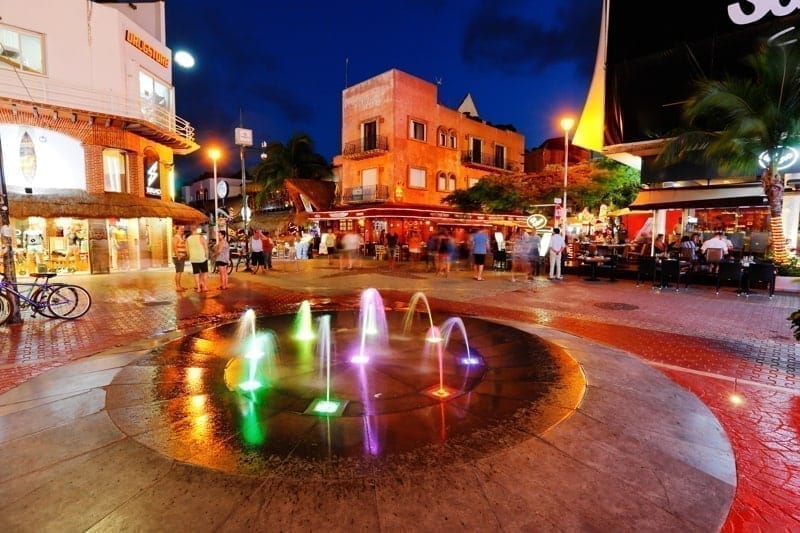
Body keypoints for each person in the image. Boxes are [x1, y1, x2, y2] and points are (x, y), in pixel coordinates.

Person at [185, 227, 209, 292]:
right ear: (196, 231)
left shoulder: (188, 239)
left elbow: (187, 250)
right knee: (204, 273)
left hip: (193, 258)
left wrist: (190, 256)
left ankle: (198, 288)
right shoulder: (201, 237)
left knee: (196, 273)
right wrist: (206, 256)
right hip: (202, 258)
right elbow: (206, 248)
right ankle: (205, 287)